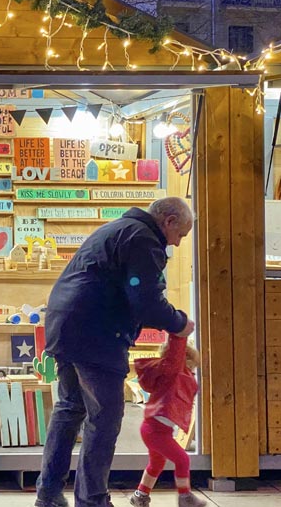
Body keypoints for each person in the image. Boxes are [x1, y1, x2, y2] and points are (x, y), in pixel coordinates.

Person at [36, 196, 195, 507]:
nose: (175, 244)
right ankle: (92, 500)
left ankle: (49, 493)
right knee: (104, 418)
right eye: (180, 236)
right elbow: (146, 301)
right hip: (98, 334)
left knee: (69, 411)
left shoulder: (116, 229)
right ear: (169, 221)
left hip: (64, 326)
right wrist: (179, 323)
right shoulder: (143, 238)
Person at [129, 335, 206, 507]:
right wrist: (179, 331)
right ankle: (185, 497)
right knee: (182, 459)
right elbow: (174, 357)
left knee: (157, 463)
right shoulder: (171, 371)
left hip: (157, 429)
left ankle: (140, 495)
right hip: (154, 431)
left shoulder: (178, 375)